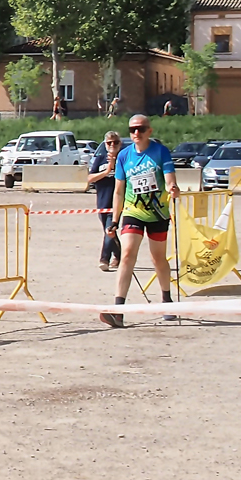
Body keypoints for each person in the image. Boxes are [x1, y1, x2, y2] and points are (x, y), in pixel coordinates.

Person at [101, 114, 180, 328]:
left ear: (149, 131)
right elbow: (118, 191)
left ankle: (166, 300)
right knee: (127, 254)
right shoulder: (124, 156)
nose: (136, 133)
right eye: (133, 129)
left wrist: (172, 188)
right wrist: (114, 220)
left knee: (158, 259)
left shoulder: (160, 151)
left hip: (158, 213)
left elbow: (170, 176)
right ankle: (118, 310)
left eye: (141, 129)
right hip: (132, 212)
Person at [88, 131, 122, 271]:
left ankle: (104, 259)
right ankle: (120, 255)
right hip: (102, 202)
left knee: (110, 229)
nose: (112, 145)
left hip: (117, 203)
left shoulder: (124, 159)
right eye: (109, 143)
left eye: (115, 142)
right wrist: (106, 171)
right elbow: (89, 178)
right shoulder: (100, 159)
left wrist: (115, 164)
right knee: (108, 231)